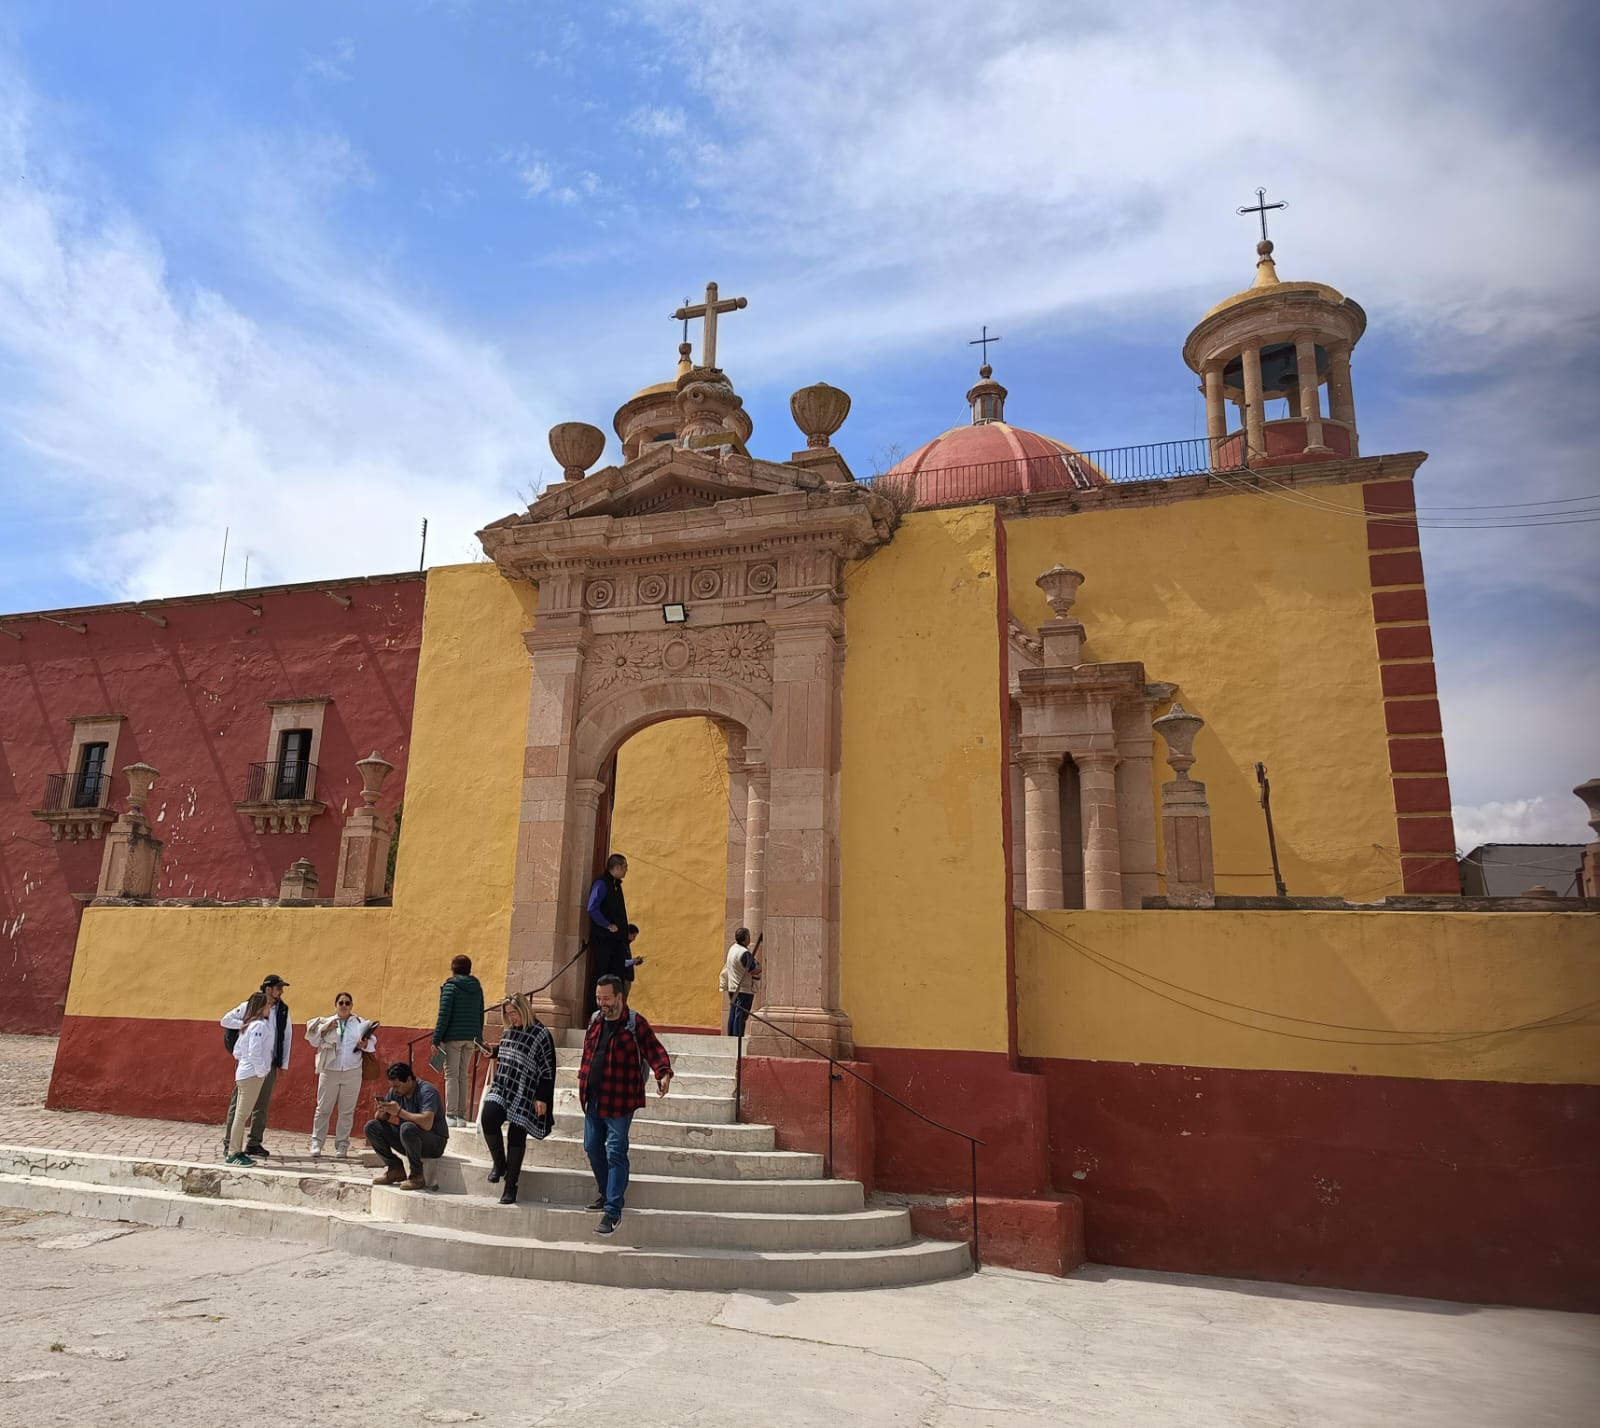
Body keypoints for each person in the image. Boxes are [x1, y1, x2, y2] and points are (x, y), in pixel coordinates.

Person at [577, 973, 673, 1235]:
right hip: (594, 1098)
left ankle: (612, 1210)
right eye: (598, 998)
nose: (602, 1003)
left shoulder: (634, 1023)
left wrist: (663, 1073)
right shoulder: (595, 1020)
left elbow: (654, 1050)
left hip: (620, 1099)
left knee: (616, 1151)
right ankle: (606, 1191)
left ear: (620, 996)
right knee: (591, 1146)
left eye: (606, 998)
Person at [479, 994, 557, 1206]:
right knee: (488, 1117)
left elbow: (547, 1069)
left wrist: (542, 1097)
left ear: (524, 1010)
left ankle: (510, 1186)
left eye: (514, 1012)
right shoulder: (509, 1032)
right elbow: (509, 1051)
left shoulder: (541, 1034)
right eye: (508, 1014)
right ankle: (499, 1164)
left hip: (527, 1092)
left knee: (516, 1134)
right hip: (503, 1085)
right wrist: (493, 1052)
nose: (512, 1017)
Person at [220, 975, 291, 1159]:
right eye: (278, 988)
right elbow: (225, 1020)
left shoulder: (283, 1010)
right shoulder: (249, 1006)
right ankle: (230, 1143)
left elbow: (286, 1036)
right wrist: (245, 1023)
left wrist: (283, 1063)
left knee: (262, 1104)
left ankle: (254, 1142)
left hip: (269, 1063)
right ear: (268, 989)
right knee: (239, 1106)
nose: (281, 992)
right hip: (252, 1066)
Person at [304, 992, 378, 1158]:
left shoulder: (359, 1023)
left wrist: (365, 1044)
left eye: (347, 1003)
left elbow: (372, 1043)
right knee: (323, 1109)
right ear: (335, 1005)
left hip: (352, 1071)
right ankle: (317, 1143)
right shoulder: (327, 1022)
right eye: (341, 1003)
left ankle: (342, 1145)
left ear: (351, 1006)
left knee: (346, 1111)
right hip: (330, 1070)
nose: (344, 1006)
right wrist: (324, 1030)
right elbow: (313, 1041)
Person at [365, 1062, 449, 1191]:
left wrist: (399, 1112)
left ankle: (416, 1175)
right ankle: (395, 1169)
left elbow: (427, 1124)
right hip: (408, 1139)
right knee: (371, 1127)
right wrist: (382, 1111)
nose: (394, 1090)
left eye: (397, 1086)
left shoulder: (427, 1091)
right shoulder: (395, 1092)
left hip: (434, 1142)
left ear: (409, 1080)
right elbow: (381, 1119)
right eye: (392, 1086)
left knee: (407, 1128)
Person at [432, 955, 485, 1128]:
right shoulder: (477, 987)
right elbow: (480, 1013)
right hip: (471, 1037)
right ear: (469, 969)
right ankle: (461, 1116)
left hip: (453, 1037)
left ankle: (451, 1114)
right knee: (463, 1075)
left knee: (451, 1075)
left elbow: (444, 1015)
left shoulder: (451, 987)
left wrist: (436, 1039)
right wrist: (479, 1037)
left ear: (453, 969)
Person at [224, 993, 274, 1167]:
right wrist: (261, 1071)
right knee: (241, 1115)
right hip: (252, 1075)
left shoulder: (248, 1025)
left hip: (244, 1073)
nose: (270, 1008)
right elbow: (254, 1052)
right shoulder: (258, 1025)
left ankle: (235, 1150)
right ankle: (233, 1153)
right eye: (268, 1005)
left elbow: (237, 1051)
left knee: (240, 1114)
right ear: (261, 1007)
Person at [585, 853, 634, 993]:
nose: (626, 870)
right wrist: (607, 924)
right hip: (605, 940)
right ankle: (596, 1005)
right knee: (602, 976)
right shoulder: (602, 883)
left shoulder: (617, 886)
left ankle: (615, 1005)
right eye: (625, 867)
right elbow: (592, 908)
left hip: (617, 942)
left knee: (616, 979)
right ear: (617, 867)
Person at [719, 927, 761, 1038]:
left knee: (734, 1014)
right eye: (748, 936)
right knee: (740, 1016)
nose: (750, 938)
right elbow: (752, 970)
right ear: (745, 938)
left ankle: (732, 1036)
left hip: (733, 987)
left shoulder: (732, 949)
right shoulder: (744, 953)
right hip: (743, 989)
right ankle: (737, 1038)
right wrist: (761, 968)